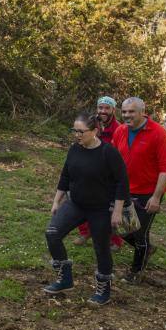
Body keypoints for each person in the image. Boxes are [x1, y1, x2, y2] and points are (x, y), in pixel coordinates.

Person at [44, 113, 130, 305]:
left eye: (81, 131)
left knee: (101, 248)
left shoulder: (108, 153)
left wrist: (117, 211)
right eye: (74, 130)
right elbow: (65, 175)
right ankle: (64, 279)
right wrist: (57, 201)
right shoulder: (75, 149)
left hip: (100, 209)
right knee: (52, 233)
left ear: (94, 131)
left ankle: (103, 289)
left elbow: (121, 183)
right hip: (76, 204)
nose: (77, 135)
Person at [112, 97, 166, 283]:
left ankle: (135, 272)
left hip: (148, 193)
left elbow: (165, 168)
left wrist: (156, 197)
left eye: (131, 112)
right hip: (125, 191)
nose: (127, 115)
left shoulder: (158, 133)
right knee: (124, 228)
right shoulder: (121, 131)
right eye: (124, 112)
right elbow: (113, 160)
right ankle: (147, 248)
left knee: (139, 234)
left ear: (142, 112)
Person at [74, 96, 124, 253]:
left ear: (113, 110)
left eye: (107, 108)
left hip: (109, 172)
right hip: (90, 168)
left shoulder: (119, 128)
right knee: (79, 197)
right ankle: (85, 232)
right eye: (100, 108)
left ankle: (115, 240)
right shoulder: (91, 123)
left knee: (111, 207)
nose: (103, 111)